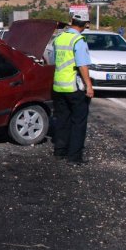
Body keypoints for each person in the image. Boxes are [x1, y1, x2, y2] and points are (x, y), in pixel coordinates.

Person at [51, 13, 95, 165]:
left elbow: (54, 60)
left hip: (58, 85)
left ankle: (60, 151)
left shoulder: (59, 38)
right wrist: (89, 85)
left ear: (72, 22)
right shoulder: (78, 40)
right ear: (85, 24)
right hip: (74, 87)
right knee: (78, 122)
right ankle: (74, 157)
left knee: (62, 120)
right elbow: (82, 65)